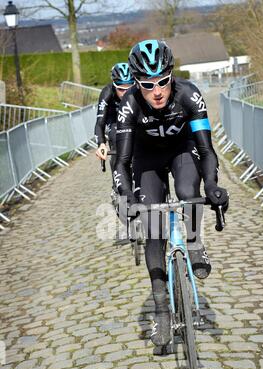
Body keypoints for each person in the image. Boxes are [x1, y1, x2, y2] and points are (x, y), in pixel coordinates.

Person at [113, 40, 229, 346]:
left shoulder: (189, 94)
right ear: (136, 84)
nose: (157, 91)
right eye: (148, 85)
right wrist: (125, 197)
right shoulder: (129, 107)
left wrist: (214, 186)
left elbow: (206, 150)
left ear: (172, 76)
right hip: (146, 159)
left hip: (182, 150)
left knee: (188, 190)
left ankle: (194, 241)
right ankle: (162, 312)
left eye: (163, 81)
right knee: (153, 227)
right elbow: (121, 162)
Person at [95, 62, 134, 180]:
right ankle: (117, 181)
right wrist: (101, 143)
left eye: (129, 88)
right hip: (114, 120)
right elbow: (99, 122)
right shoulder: (107, 92)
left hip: (132, 117)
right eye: (121, 89)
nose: (125, 93)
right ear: (114, 85)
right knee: (116, 136)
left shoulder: (139, 91)